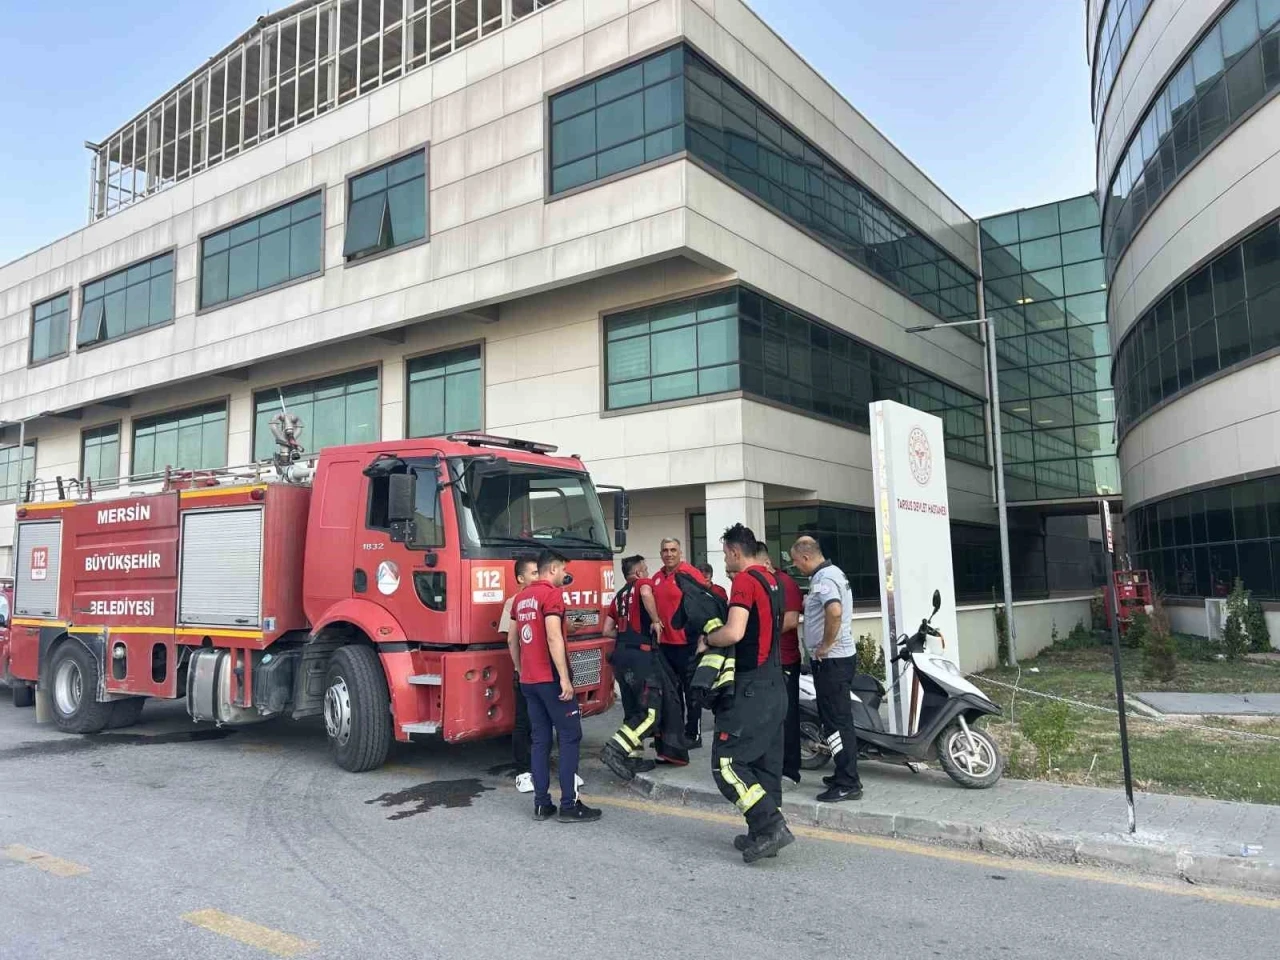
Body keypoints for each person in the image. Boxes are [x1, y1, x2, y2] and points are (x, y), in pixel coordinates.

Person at [701, 523, 793, 863]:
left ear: (736, 552)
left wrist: (707, 640)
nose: (725, 561)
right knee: (765, 763)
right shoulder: (774, 580)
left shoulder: (744, 581)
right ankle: (762, 835)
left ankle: (771, 826)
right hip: (776, 684)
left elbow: (734, 632)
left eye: (726, 554)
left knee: (727, 763)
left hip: (751, 687)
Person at [507, 549, 601, 823]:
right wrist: (564, 678)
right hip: (550, 680)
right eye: (563, 570)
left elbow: (512, 639)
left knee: (540, 740)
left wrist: (520, 669)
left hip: (529, 681)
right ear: (552, 569)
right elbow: (553, 637)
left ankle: (541, 804)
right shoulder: (551, 595)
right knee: (570, 737)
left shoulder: (520, 598)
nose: (564, 574)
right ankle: (569, 805)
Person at [789, 536, 862, 803]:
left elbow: (834, 612)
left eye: (796, 562)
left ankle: (847, 783)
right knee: (836, 720)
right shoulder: (833, 573)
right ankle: (843, 772)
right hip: (838, 660)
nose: (796, 567)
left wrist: (825, 645)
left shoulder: (824, 579)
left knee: (836, 723)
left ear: (806, 557)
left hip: (832, 662)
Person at [601, 555, 663, 776]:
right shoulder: (642, 584)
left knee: (632, 710)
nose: (648, 573)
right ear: (637, 573)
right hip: (640, 657)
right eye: (645, 569)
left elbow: (607, 630)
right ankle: (615, 749)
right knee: (650, 713)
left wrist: (626, 636)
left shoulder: (619, 596)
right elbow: (646, 592)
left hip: (620, 656)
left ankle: (633, 758)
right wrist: (655, 620)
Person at [651, 538, 708, 758]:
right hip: (665, 645)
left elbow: (704, 604)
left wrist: (703, 636)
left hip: (687, 644)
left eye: (673, 550)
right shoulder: (656, 578)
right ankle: (674, 735)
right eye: (665, 550)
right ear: (661, 553)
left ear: (680, 552)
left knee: (691, 691)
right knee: (671, 694)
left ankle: (693, 734)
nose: (669, 554)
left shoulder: (690, 573)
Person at [752, 544, 804, 785]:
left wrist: (759, 634)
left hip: (785, 660)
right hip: (765, 661)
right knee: (766, 717)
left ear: (765, 562)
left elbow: (791, 620)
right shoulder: (759, 583)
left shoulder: (785, 584)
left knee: (787, 717)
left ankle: (790, 771)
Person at [499, 554, 539, 793]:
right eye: (533, 573)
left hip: (543, 674)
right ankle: (523, 771)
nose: (538, 576)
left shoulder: (546, 597)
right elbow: (511, 639)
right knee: (524, 722)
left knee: (542, 723)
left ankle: (539, 767)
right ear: (520, 578)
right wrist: (519, 669)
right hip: (525, 672)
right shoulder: (513, 602)